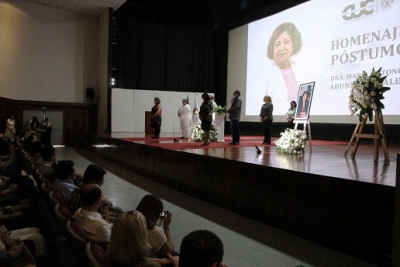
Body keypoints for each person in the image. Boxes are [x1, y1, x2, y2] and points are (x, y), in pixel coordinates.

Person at [107, 211, 176, 267]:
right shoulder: (150, 266)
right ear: (140, 236)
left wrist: (165, 261)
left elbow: (139, 260)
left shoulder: (110, 252)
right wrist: (176, 263)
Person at [264, 22, 305, 114]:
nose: (281, 48)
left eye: (286, 42)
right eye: (277, 44)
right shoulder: (266, 74)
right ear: (272, 48)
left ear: (293, 44)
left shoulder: (301, 69)